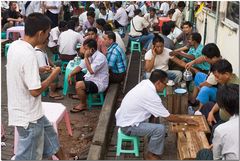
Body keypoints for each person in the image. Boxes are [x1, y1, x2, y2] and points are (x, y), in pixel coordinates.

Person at [6, 12, 65, 160]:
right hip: (29, 118)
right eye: (47, 33)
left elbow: (19, 70)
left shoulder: (15, 45)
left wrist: (38, 70)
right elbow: (35, 91)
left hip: (32, 113)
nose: (48, 37)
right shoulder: (29, 54)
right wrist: (54, 74)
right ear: (40, 33)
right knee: (28, 157)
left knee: (53, 142)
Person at [115, 69, 198, 160]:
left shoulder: (146, 83)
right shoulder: (151, 95)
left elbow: (160, 112)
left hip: (126, 118)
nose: (166, 86)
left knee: (155, 115)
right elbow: (168, 117)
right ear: (158, 83)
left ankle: (154, 141)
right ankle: (151, 155)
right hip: (128, 127)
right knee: (160, 129)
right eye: (165, 83)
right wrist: (186, 120)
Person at [196, 84, 239, 160]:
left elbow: (216, 158)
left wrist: (216, 146)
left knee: (203, 153)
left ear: (224, 108)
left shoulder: (221, 129)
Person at [68, 39, 109, 112]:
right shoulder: (91, 55)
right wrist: (70, 74)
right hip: (90, 78)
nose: (84, 50)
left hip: (99, 83)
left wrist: (86, 57)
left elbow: (91, 71)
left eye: (85, 49)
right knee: (75, 74)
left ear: (92, 49)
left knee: (79, 85)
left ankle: (83, 104)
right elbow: (80, 67)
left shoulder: (100, 57)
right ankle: (81, 94)